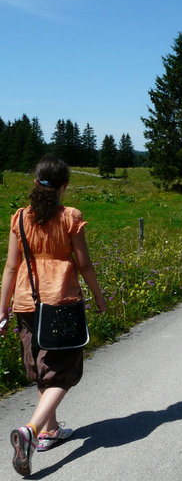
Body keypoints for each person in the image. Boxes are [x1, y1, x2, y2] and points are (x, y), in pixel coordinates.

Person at [0, 155, 107, 476]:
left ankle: (50, 430)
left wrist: (2, 309)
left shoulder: (20, 219)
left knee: (42, 366)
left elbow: (9, 267)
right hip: (60, 301)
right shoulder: (70, 217)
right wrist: (100, 297)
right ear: (65, 186)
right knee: (65, 371)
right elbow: (84, 263)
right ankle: (32, 430)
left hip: (26, 301)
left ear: (35, 182)